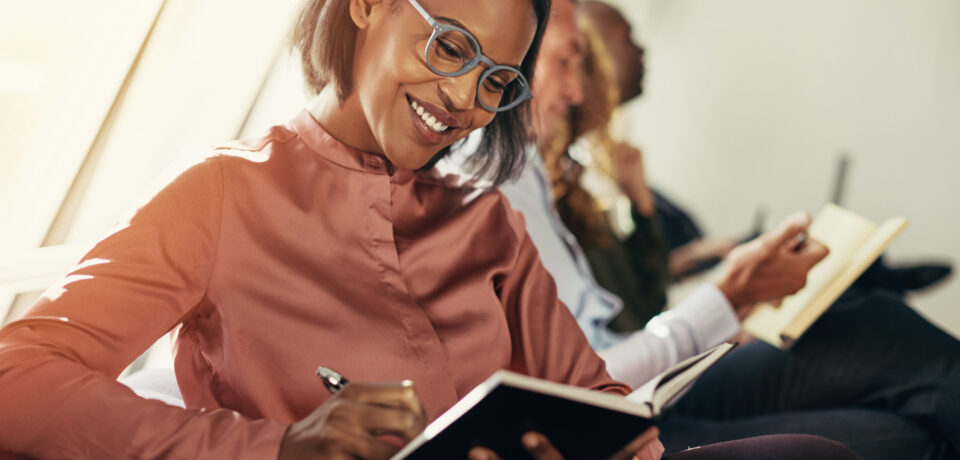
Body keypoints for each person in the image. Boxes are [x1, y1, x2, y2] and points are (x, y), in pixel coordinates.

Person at [0, 0, 862, 459]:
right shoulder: (221, 192)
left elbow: (596, 400)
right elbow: (19, 378)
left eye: (496, 81)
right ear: (369, 3)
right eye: (450, 46)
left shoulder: (484, 222)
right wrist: (278, 451)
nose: (465, 101)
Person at [488, 0, 960, 458]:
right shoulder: (492, 184)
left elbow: (614, 328)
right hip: (629, 404)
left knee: (876, 325)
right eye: (567, 60)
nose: (575, 91)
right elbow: (590, 374)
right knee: (902, 432)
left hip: (651, 381)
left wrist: (726, 302)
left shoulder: (529, 170)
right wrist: (727, 299)